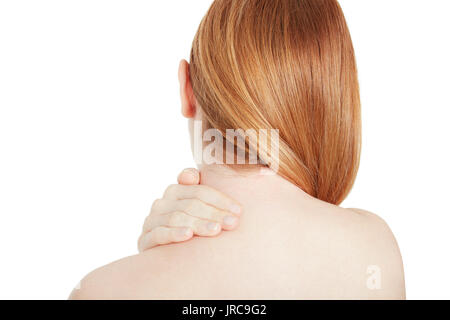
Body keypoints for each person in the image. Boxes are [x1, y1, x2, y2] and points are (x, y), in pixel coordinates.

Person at [70, 0, 405, 300]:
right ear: (336, 99)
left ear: (186, 88)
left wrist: (148, 267)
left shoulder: (102, 290)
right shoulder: (374, 252)